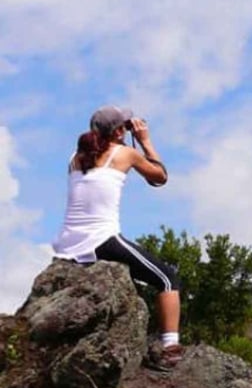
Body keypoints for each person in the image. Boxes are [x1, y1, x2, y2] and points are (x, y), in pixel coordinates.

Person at [51, 105, 183, 368]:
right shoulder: (125, 153)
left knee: (132, 280)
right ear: (120, 131)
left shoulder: (74, 159)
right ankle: (170, 347)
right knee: (168, 277)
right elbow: (160, 177)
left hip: (68, 244)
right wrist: (145, 140)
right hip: (102, 239)